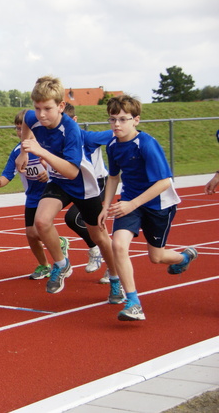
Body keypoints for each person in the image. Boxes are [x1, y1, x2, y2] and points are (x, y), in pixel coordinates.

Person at [15, 76, 122, 305]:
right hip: (58, 182)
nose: (41, 114)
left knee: (99, 237)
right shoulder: (33, 116)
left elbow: (73, 171)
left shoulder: (70, 130)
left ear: (61, 106)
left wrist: (40, 152)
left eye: (48, 109)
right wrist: (24, 152)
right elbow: (25, 122)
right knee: (41, 223)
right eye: (37, 108)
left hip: (82, 185)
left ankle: (116, 278)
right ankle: (62, 264)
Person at [98, 95, 198, 321]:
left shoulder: (147, 144)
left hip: (158, 205)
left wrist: (133, 203)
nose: (116, 125)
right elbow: (113, 177)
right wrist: (106, 206)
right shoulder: (113, 145)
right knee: (118, 245)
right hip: (130, 202)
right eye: (112, 120)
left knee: (156, 257)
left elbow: (165, 182)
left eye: (123, 119)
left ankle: (183, 258)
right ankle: (133, 302)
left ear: (136, 120)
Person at [0, 110, 69, 280]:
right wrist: (0, 183)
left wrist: (49, 173)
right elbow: (8, 174)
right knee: (30, 234)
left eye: (23, 128)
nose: (21, 132)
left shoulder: (46, 145)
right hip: (32, 197)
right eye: (17, 129)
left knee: (38, 229)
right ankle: (44, 264)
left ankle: (58, 244)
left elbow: (62, 167)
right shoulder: (17, 151)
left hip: (50, 194)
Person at [62, 103, 113, 280]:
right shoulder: (58, 139)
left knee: (76, 218)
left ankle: (109, 264)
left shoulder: (88, 138)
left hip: (98, 183)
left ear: (75, 121)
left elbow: (116, 133)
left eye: (66, 122)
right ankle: (93, 248)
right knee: (55, 217)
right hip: (76, 183)